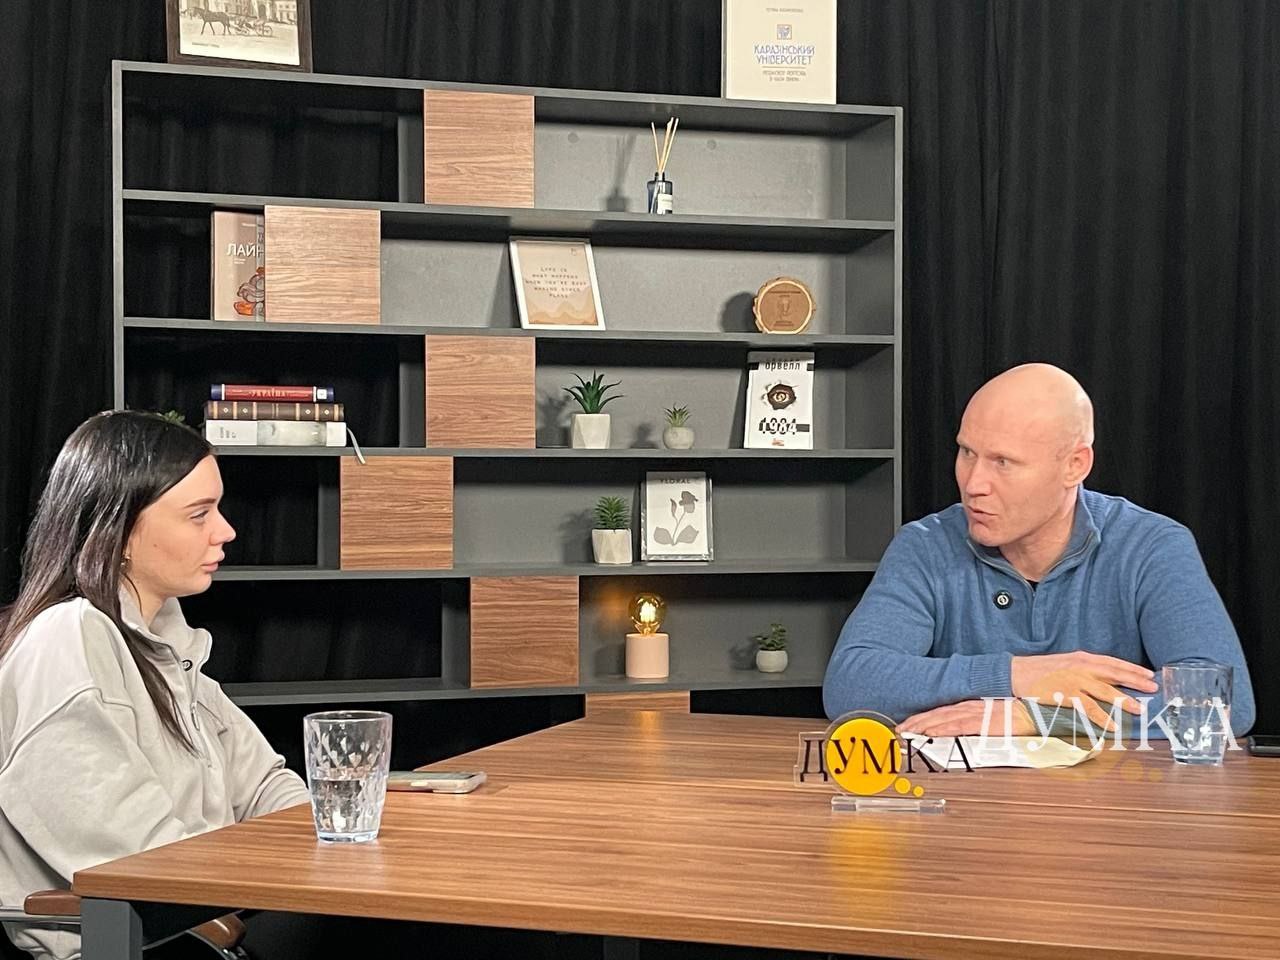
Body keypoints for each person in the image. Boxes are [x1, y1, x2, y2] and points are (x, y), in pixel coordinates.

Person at [0, 411, 311, 960]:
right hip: (150, 941)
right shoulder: (69, 639)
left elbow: (266, 786)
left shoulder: (168, 646)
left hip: (202, 916)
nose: (225, 531)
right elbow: (142, 861)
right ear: (119, 529)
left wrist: (333, 847)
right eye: (199, 514)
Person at [822, 363, 1255, 739]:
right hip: (962, 801)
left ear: (1075, 465)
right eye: (967, 452)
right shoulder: (925, 545)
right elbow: (850, 685)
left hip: (1104, 803)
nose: (973, 483)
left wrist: (1039, 716)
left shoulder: (1152, 546)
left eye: (1003, 462)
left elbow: (1223, 702)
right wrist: (1014, 675)